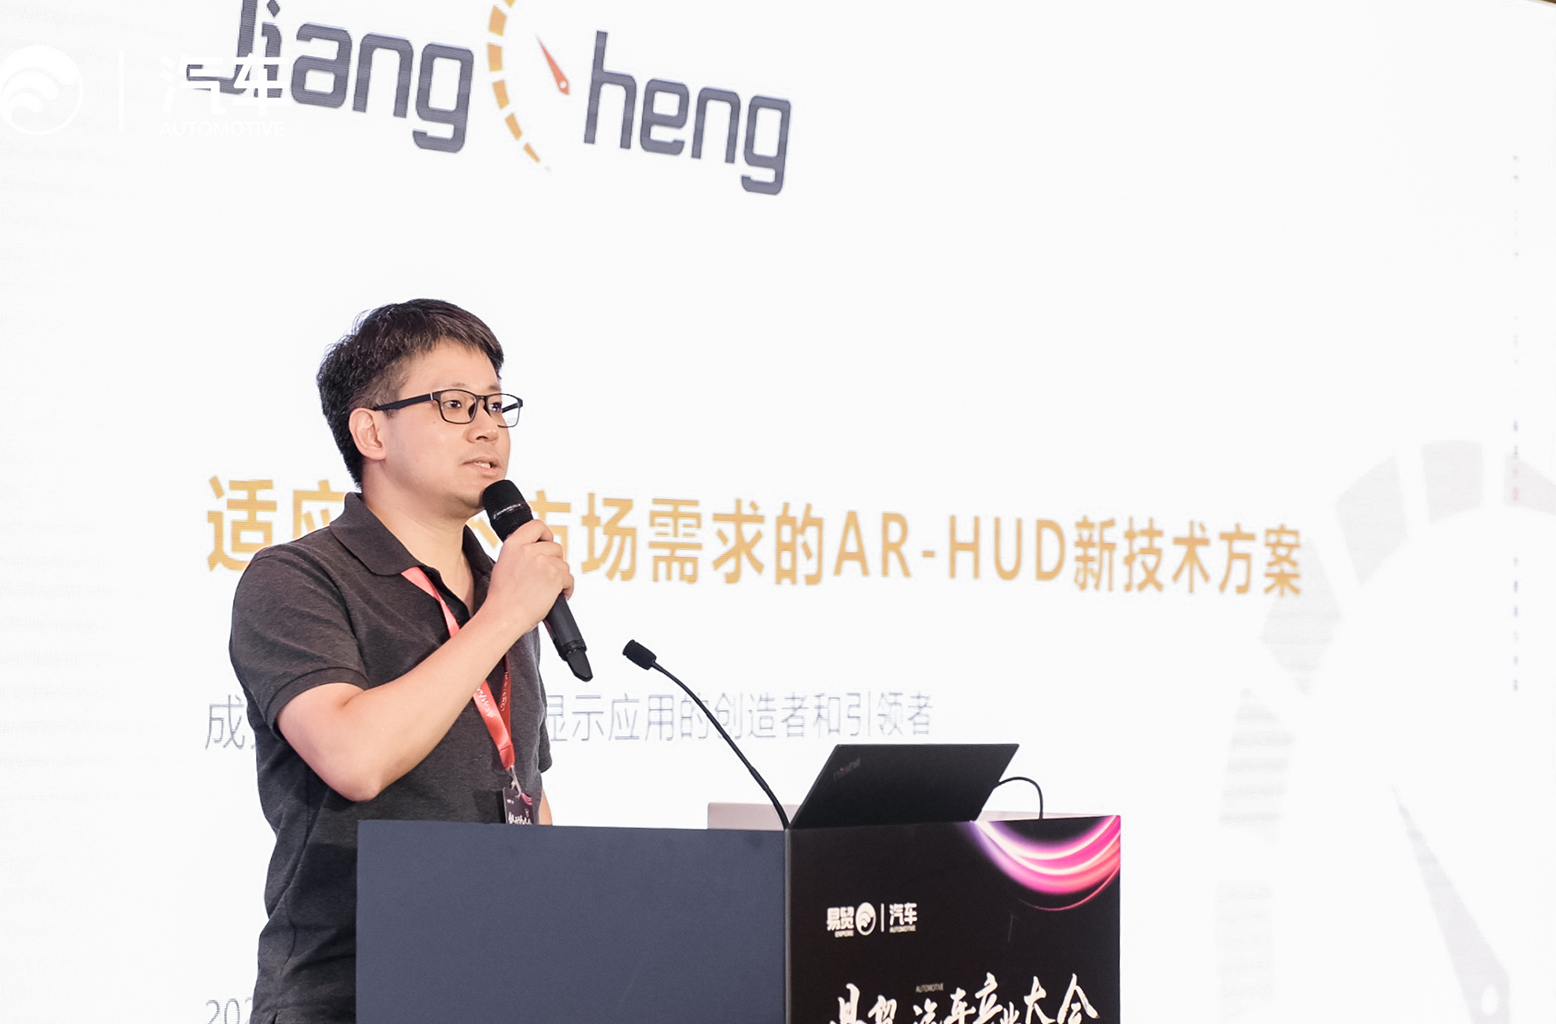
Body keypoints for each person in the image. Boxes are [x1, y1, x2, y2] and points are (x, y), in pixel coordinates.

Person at [229, 299, 571, 1024]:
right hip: (348, 994)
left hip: (496, 985)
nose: (488, 427)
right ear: (371, 431)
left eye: (496, 404)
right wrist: (503, 615)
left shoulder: (501, 587)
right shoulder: (297, 578)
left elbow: (526, 789)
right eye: (455, 404)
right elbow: (354, 758)